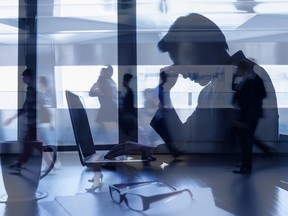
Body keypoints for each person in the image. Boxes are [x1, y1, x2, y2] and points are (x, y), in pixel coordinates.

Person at [150, 13, 278, 157]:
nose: (183, 73)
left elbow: (218, 144)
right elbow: (184, 140)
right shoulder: (206, 93)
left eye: (181, 62)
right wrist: (165, 94)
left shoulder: (252, 75)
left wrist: (156, 151)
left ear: (207, 46)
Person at [232, 60, 266, 174]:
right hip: (248, 115)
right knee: (246, 140)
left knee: (246, 141)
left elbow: (251, 101)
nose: (236, 71)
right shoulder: (246, 80)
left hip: (248, 116)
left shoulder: (252, 81)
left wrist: (245, 120)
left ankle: (246, 166)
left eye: (238, 69)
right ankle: (246, 164)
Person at [3, 69, 38, 173]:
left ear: (28, 78)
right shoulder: (31, 89)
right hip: (33, 123)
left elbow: (26, 107)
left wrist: (12, 118)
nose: (22, 79)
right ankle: (20, 163)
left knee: (28, 143)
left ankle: (19, 164)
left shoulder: (31, 90)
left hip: (33, 123)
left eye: (23, 77)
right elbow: (26, 107)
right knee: (27, 143)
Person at [89, 65, 118, 142]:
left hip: (107, 110)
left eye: (101, 72)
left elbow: (92, 92)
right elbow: (92, 93)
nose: (100, 73)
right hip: (110, 109)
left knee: (109, 134)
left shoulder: (103, 81)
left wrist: (100, 93)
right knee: (108, 133)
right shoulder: (111, 81)